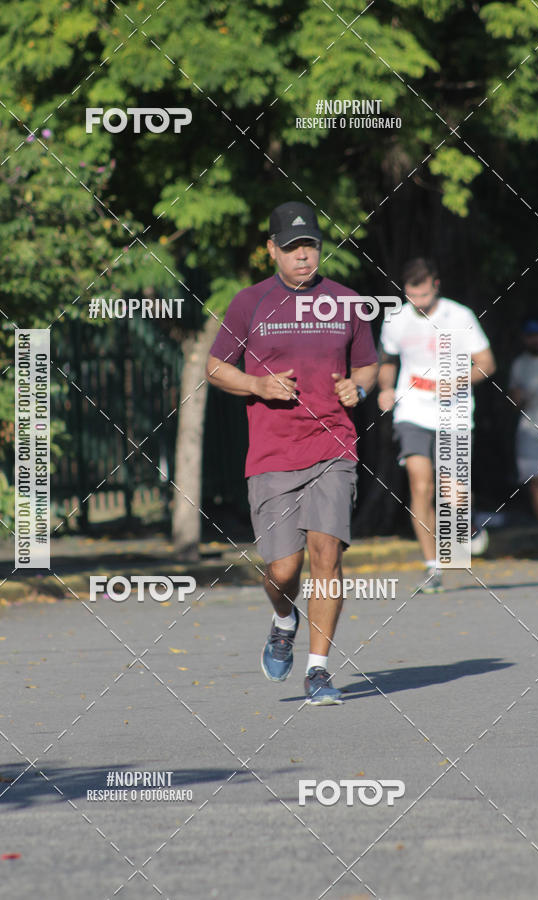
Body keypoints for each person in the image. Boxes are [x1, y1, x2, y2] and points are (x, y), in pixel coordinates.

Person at [206, 201, 378, 705]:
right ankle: (284, 619)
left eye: (310, 247)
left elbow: (368, 366)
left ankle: (319, 670)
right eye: (292, 248)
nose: (303, 256)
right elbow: (216, 368)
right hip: (273, 453)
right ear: (271, 250)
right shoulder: (249, 303)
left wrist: (358, 390)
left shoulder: (347, 302)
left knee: (327, 554)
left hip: (334, 446)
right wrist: (258, 383)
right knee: (284, 569)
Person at [377, 257, 496, 592]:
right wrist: (386, 389)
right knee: (420, 484)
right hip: (412, 411)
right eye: (413, 297)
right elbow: (387, 360)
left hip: (454, 412)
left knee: (453, 494)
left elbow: (486, 364)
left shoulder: (460, 316)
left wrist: (460, 380)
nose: (419, 304)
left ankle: (466, 524)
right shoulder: (396, 319)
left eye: (425, 296)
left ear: (436, 286)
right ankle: (433, 566)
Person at [509, 318, 538, 526]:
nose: (534, 340)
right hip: (530, 430)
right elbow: (513, 402)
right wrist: (517, 398)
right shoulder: (519, 364)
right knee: (537, 484)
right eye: (530, 336)